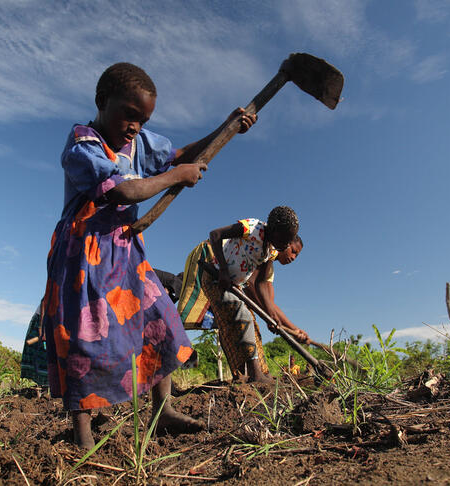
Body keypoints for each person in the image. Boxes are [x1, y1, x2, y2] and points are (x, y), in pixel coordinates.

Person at [41, 62, 256, 448]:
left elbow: (182, 154)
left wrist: (227, 127)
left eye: (143, 120)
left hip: (126, 250)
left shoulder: (140, 143)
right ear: (102, 102)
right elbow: (122, 191)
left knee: (161, 321)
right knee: (86, 340)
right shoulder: (83, 142)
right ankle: (83, 433)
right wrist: (177, 177)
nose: (135, 127)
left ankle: (163, 411)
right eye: (130, 115)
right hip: (85, 257)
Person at [178, 206, 307, 383]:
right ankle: (255, 374)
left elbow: (261, 284)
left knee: (244, 321)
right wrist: (223, 269)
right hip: (215, 276)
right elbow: (215, 235)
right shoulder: (253, 228)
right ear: (274, 230)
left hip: (233, 285)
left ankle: (253, 373)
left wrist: (271, 314)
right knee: (243, 316)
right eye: (286, 241)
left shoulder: (270, 250)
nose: (286, 245)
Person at [243, 235, 310, 344]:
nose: (293, 257)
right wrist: (269, 317)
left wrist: (295, 330)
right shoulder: (264, 250)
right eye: (293, 251)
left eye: (296, 256)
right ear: (285, 244)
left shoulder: (269, 272)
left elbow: (270, 304)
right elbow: (249, 286)